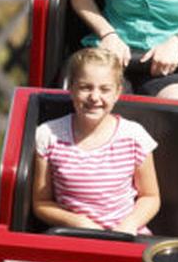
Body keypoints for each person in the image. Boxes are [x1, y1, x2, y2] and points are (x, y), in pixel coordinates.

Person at [33, 48, 161, 234]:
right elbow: (41, 203)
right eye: (85, 87)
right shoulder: (48, 135)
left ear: (117, 93)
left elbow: (150, 197)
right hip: (73, 234)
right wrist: (78, 223)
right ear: (71, 88)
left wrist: (129, 225)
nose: (94, 97)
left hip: (125, 235)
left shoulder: (135, 136)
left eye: (105, 89)